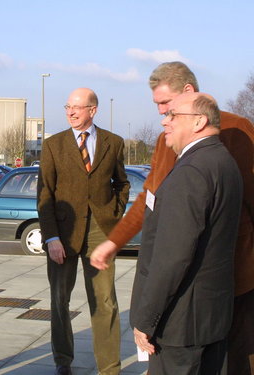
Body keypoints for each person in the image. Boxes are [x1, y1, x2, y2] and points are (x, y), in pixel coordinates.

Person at [90, 61, 254, 375]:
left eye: (167, 106)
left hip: (229, 286)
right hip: (192, 300)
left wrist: (145, 319)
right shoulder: (172, 143)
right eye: (159, 107)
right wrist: (115, 240)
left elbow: (175, 253)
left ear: (190, 95)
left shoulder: (235, 132)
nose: (162, 116)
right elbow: (150, 200)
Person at [130, 92, 242, 374]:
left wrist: (146, 320)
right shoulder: (223, 162)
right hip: (210, 320)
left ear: (199, 122)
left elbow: (173, 257)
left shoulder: (192, 170)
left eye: (173, 115)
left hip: (180, 326)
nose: (165, 122)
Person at [37, 87, 130, 375]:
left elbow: (122, 183)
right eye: (67, 107)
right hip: (63, 234)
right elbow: (45, 195)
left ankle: (110, 368)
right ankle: (62, 360)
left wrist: (115, 211)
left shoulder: (113, 143)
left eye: (77, 107)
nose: (71, 112)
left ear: (93, 110)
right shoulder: (54, 145)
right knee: (59, 299)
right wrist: (51, 236)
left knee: (104, 301)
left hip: (100, 231)